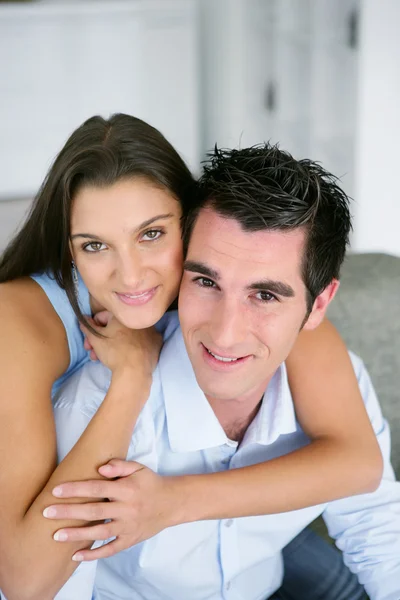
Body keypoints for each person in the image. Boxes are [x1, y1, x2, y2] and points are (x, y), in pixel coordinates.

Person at [0, 115, 381, 600]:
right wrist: (134, 375)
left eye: (152, 234)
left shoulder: (223, 286)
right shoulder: (19, 324)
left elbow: (359, 466)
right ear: (69, 250)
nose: (132, 277)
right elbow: (25, 577)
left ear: (191, 224)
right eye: (94, 245)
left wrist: (175, 503)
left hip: (229, 536)